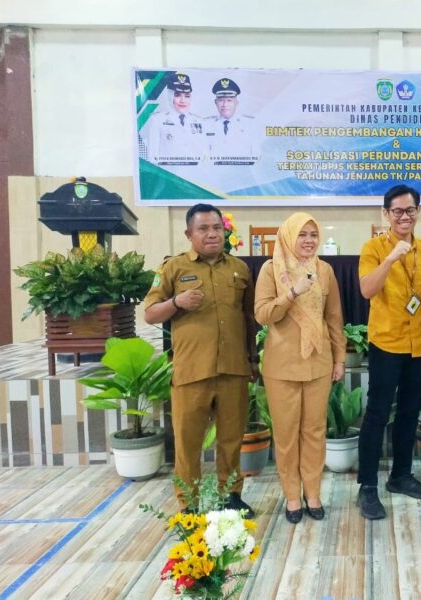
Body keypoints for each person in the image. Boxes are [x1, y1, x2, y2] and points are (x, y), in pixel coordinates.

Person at [144, 203, 257, 517]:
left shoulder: (239, 268)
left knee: (232, 440)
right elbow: (150, 313)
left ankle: (230, 497)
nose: (212, 235)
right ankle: (189, 504)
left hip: (233, 369)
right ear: (189, 234)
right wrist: (177, 301)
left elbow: (248, 317)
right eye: (204, 229)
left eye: (217, 228)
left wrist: (252, 359)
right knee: (188, 444)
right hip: (191, 372)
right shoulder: (172, 268)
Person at [254, 213, 347, 524]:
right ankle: (292, 496)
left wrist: (339, 359)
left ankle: (313, 492)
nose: (308, 240)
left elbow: (334, 318)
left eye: (313, 234)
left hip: (318, 363)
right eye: (302, 234)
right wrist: (291, 292)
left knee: (315, 431)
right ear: (288, 236)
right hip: (281, 367)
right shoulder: (271, 270)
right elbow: (263, 315)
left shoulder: (326, 270)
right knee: (286, 434)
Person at [356, 184, 421, 520]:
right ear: (386, 214)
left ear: (418, 212)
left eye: (410, 210)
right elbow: (366, 290)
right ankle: (367, 487)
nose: (405, 216)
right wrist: (390, 259)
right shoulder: (373, 248)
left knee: (409, 411)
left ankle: (400, 476)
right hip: (387, 344)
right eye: (398, 211)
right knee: (377, 414)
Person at [142, 72, 206, 165]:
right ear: (169, 96)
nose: (183, 100)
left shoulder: (200, 121)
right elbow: (153, 157)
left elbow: (204, 155)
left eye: (187, 96)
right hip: (169, 175)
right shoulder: (157, 120)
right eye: (177, 95)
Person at [204, 77, 257, 163]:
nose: (225, 104)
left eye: (229, 100)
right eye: (221, 100)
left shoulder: (249, 124)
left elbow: (257, 156)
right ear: (216, 102)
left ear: (236, 103)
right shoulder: (205, 124)